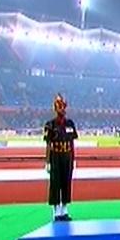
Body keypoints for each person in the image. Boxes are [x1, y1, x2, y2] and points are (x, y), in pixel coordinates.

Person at [43, 93, 78, 221]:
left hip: (67, 156)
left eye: (63, 107)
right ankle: (56, 211)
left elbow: (72, 143)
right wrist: (47, 161)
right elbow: (48, 144)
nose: (62, 110)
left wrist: (73, 158)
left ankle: (64, 210)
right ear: (55, 109)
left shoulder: (70, 124)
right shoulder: (50, 125)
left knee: (66, 182)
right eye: (59, 107)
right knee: (55, 183)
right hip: (55, 157)